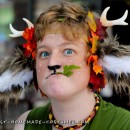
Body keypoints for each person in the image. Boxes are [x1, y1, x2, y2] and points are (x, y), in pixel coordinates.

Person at [0, 1, 130, 130]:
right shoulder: (25, 124)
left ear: (97, 61)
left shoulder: (124, 125)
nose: (52, 63)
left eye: (68, 51)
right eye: (44, 53)